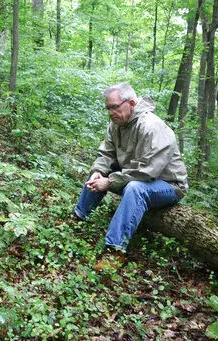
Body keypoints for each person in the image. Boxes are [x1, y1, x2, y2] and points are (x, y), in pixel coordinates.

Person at [74, 83, 188, 271]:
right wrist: (100, 172)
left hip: (168, 184)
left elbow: (148, 171)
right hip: (135, 177)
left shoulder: (151, 126)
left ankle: (115, 251)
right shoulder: (116, 125)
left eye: (115, 107)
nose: (111, 112)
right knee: (97, 173)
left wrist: (109, 182)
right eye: (108, 108)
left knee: (135, 188)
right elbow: (107, 155)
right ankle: (79, 216)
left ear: (132, 103)